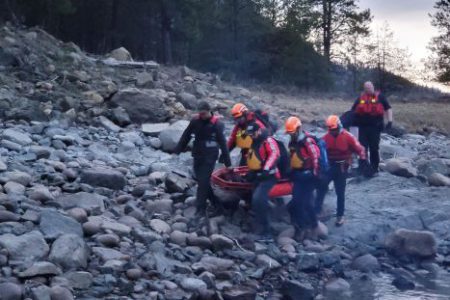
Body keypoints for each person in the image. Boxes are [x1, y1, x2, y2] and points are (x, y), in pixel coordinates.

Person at [174, 101, 231, 216]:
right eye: (200, 114)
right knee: (202, 181)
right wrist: (177, 150)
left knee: (203, 181)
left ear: (209, 111)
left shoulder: (218, 124)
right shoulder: (195, 121)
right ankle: (217, 205)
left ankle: (200, 210)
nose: (202, 116)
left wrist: (227, 161)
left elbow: (223, 143)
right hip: (198, 154)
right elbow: (186, 135)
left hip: (210, 156)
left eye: (204, 113)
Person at [315, 115, 367, 226]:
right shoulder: (325, 138)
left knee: (340, 192)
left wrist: (362, 162)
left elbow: (360, 149)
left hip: (342, 168)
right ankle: (316, 212)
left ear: (339, 126)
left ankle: (340, 215)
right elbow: (318, 153)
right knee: (321, 188)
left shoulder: (348, 137)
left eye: (335, 129)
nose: (333, 132)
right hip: (329, 167)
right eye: (331, 130)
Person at [285, 116, 320, 237]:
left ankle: (312, 226)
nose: (291, 135)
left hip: (309, 176)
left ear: (298, 129)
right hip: (298, 175)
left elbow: (316, 157)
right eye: (289, 133)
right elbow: (292, 157)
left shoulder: (308, 141)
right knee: (298, 202)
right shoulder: (292, 142)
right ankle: (302, 226)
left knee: (306, 203)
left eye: (292, 132)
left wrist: (316, 174)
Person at [245, 123, 280, 239]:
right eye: (249, 135)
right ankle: (258, 223)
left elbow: (274, 154)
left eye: (252, 134)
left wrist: (265, 169)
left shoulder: (268, 140)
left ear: (258, 131)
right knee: (253, 199)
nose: (251, 137)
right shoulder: (254, 141)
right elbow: (253, 158)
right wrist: (251, 171)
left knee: (258, 199)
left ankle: (266, 229)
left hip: (269, 176)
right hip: (258, 175)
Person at [351, 81, 393, 176]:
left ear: (373, 87)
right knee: (362, 148)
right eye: (366, 88)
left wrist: (390, 121)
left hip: (375, 127)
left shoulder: (380, 97)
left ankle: (374, 168)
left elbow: (388, 108)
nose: (368, 89)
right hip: (362, 127)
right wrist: (350, 124)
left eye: (369, 87)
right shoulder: (360, 98)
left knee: (374, 148)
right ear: (364, 89)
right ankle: (363, 167)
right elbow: (352, 111)